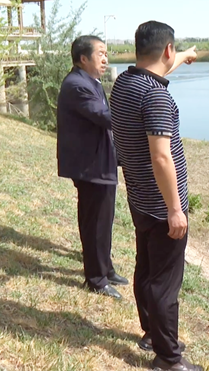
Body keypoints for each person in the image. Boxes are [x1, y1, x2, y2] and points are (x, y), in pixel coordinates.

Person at [109, 21, 200, 371]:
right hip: (163, 207)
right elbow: (161, 157)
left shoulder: (125, 83)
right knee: (164, 283)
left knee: (146, 270)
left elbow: (157, 73)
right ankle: (168, 358)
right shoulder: (156, 96)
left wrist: (184, 55)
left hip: (140, 199)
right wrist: (176, 209)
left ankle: (151, 333)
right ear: (167, 50)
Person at [56, 35, 129, 300]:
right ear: (83, 58)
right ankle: (96, 279)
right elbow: (105, 117)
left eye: (106, 54)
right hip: (91, 167)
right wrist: (139, 109)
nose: (105, 59)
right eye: (100, 53)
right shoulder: (77, 85)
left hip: (99, 163)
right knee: (96, 222)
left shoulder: (89, 81)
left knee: (102, 220)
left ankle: (105, 268)